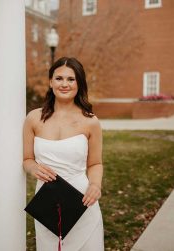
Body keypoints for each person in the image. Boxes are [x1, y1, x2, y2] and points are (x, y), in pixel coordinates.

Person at [23, 57, 104, 250]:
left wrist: (95, 185)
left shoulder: (90, 121)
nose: (64, 84)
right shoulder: (34, 118)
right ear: (50, 82)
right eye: (59, 78)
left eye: (71, 79)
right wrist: (33, 167)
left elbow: (95, 163)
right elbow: (27, 159)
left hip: (83, 200)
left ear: (79, 84)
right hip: (47, 201)